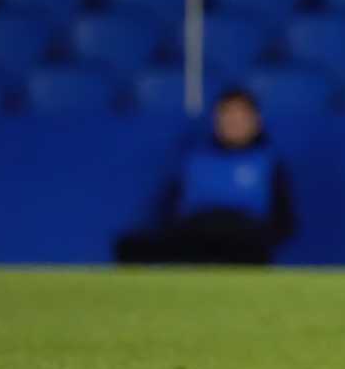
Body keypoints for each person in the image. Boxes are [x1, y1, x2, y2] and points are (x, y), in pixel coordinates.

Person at [114, 90, 295, 265]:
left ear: (256, 120)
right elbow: (168, 209)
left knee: (246, 245)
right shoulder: (193, 159)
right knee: (131, 246)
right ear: (216, 120)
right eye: (227, 114)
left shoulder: (268, 161)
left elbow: (283, 219)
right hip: (195, 234)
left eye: (241, 115)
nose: (233, 121)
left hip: (245, 237)